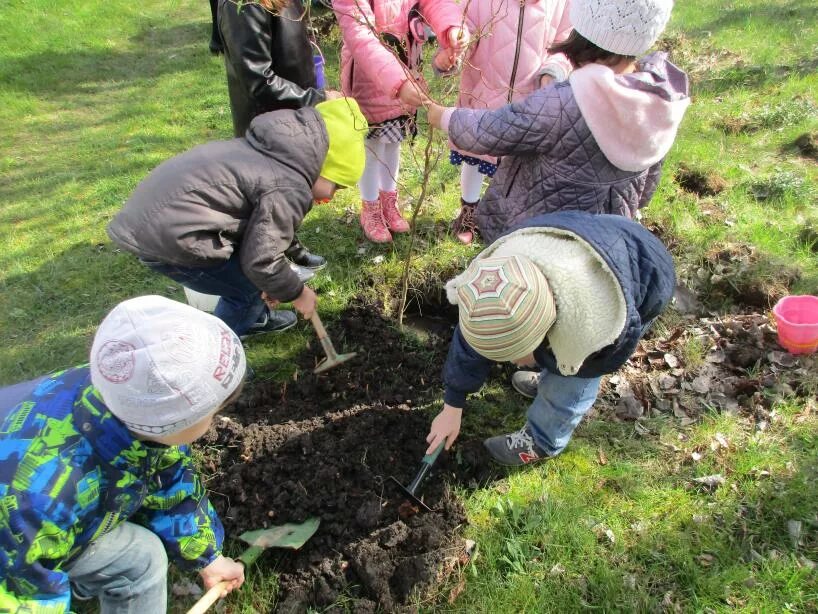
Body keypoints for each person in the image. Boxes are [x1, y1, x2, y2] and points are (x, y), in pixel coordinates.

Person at [0, 295, 247, 612]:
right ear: (167, 422)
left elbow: (169, 479)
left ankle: (76, 569)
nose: (215, 419)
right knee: (132, 561)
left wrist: (207, 558)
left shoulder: (126, 398)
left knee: (138, 555)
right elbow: (22, 599)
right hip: (14, 552)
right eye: (212, 412)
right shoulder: (37, 502)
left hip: (44, 528)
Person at [427, 0, 690, 245]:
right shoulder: (660, 100)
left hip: (537, 230)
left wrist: (444, 116)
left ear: (583, 33)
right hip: (605, 235)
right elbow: (646, 187)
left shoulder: (564, 101)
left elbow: (494, 130)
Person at [424, 211, 675, 466]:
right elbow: (473, 339)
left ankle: (543, 440)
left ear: (541, 332)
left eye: (514, 355)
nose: (512, 362)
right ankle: (546, 378)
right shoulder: (492, 283)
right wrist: (451, 407)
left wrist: (548, 359)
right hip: (588, 241)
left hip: (644, 277)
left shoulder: (592, 328)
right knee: (551, 361)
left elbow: (602, 361)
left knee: (569, 381)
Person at [107, 98, 367, 339]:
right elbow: (261, 262)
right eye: (337, 186)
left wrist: (274, 282)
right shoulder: (290, 186)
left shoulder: (273, 152)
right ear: (325, 166)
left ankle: (251, 317)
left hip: (157, 217)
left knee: (255, 279)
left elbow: (256, 232)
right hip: (171, 238)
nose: (332, 196)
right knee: (249, 288)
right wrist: (297, 292)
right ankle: (216, 356)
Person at [333, 0, 469, 243]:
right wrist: (399, 83)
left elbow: (434, 3)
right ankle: (371, 208)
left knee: (393, 142)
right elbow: (360, 34)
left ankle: (389, 202)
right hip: (370, 77)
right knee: (373, 148)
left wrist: (451, 28)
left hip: (406, 70)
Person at [219, 0, 339, 274]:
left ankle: (287, 244)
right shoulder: (243, 7)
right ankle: (270, 262)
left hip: (290, 110)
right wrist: (314, 98)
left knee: (286, 187)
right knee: (269, 191)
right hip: (266, 118)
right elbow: (257, 79)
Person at [440, 0, 574, 245]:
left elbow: (564, 44)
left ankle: (510, 216)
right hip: (484, 88)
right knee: (475, 153)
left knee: (519, 165)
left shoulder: (561, 3)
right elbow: (467, 26)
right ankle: (469, 210)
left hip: (531, 95)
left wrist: (553, 71)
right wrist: (458, 47)